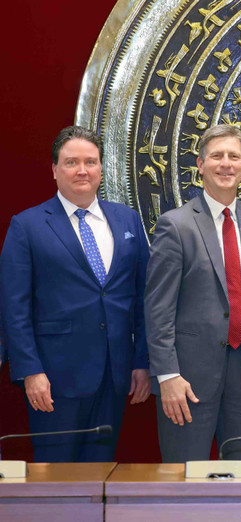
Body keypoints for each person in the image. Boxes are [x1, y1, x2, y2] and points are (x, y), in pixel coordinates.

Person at [0, 125, 151, 461]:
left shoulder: (127, 220)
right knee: (56, 482)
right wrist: (30, 371)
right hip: (54, 380)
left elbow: (142, 298)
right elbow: (14, 308)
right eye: (71, 162)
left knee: (99, 478)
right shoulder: (27, 225)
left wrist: (142, 361)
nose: (82, 170)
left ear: (101, 169)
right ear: (54, 170)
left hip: (115, 376)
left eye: (90, 162)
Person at [145, 124, 241, 462]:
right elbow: (158, 310)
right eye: (217, 156)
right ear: (200, 164)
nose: (226, 164)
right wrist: (167, 376)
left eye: (234, 156)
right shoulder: (176, 224)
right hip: (188, 379)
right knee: (183, 478)